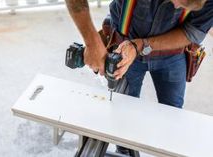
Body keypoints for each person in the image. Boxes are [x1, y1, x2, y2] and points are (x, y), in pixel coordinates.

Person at [65, 0, 213, 156]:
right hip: (122, 42)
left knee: (173, 114)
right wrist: (92, 43)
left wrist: (141, 45)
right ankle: (124, 152)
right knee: (122, 109)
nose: (176, 7)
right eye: (180, 1)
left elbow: (192, 32)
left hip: (173, 54)